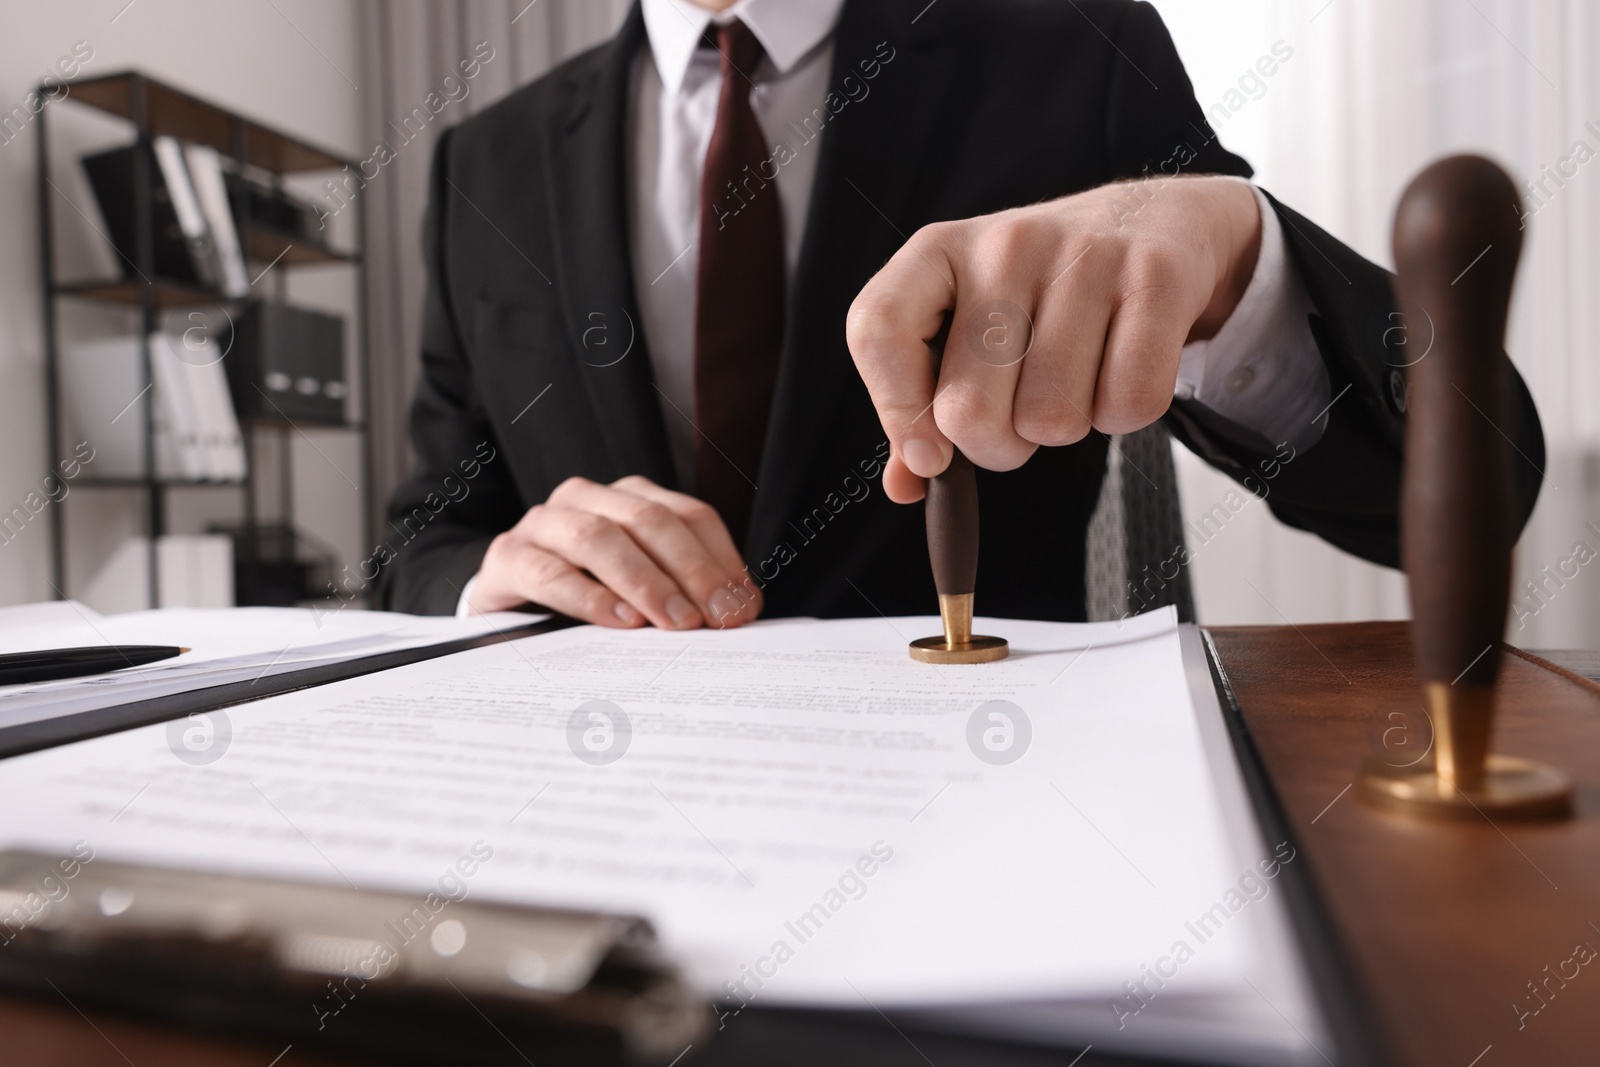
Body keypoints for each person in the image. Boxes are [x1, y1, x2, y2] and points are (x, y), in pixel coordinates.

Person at [377, 0, 1543, 627]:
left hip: (994, 804)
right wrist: (494, 571)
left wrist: (1240, 273)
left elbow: (1479, 480)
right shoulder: (486, 160)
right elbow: (415, 544)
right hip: (596, 819)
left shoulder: (1078, 45)